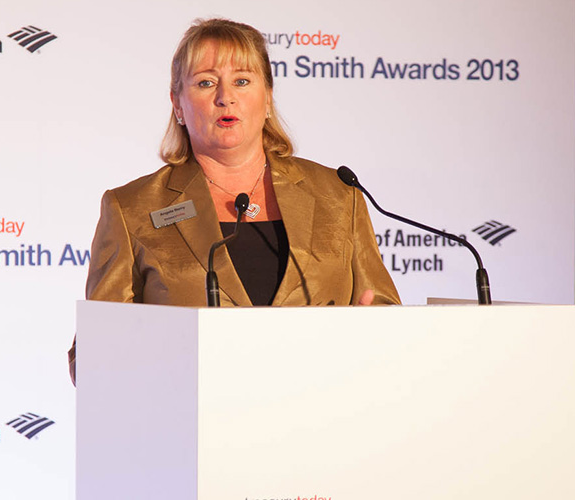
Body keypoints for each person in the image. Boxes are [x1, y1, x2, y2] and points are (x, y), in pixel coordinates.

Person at [68, 18, 399, 384]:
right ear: (178, 105)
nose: (225, 97)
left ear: (268, 97)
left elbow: (388, 317)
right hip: (193, 414)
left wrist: (371, 332)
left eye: (242, 81)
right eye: (206, 83)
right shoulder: (132, 209)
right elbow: (91, 359)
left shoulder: (338, 195)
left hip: (321, 405)